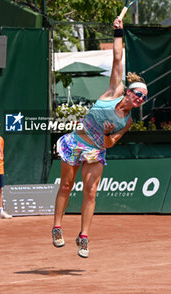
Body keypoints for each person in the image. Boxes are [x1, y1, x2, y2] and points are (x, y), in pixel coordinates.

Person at [52, 17, 148, 258]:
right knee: (66, 185)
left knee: (91, 192)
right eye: (138, 94)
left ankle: (83, 237)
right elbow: (117, 59)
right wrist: (118, 31)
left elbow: (112, 142)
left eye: (144, 98)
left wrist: (106, 136)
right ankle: (57, 227)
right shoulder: (114, 91)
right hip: (76, 141)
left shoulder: (127, 122)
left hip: (95, 150)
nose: (140, 99)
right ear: (128, 91)